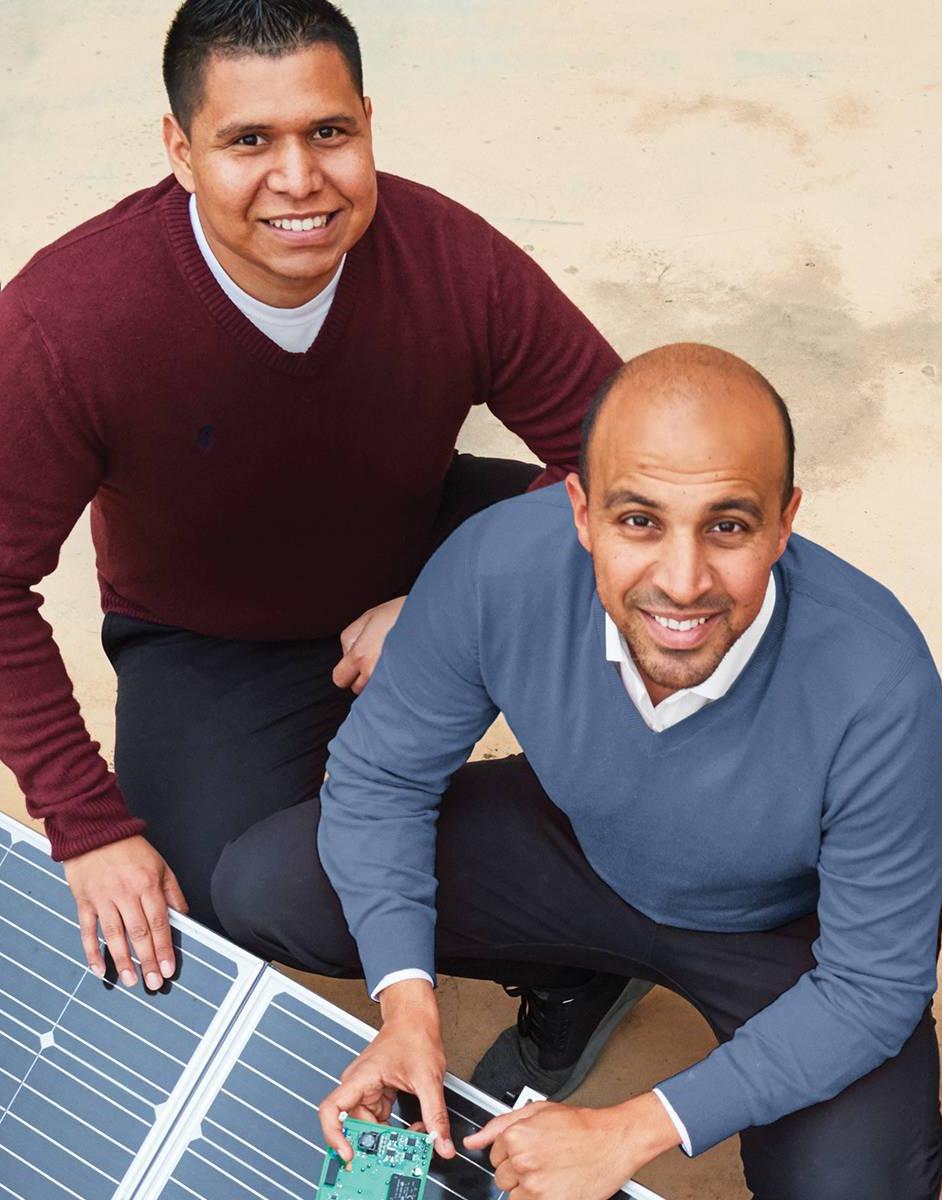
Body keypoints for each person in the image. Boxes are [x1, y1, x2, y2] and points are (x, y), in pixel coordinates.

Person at [0, 0, 650, 1085]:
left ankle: (626, 869)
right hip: (210, 634)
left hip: (425, 550)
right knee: (211, 894)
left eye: (328, 133)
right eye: (249, 141)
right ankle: (562, 948)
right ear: (179, 149)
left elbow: (626, 454)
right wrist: (86, 822)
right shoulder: (70, 324)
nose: (300, 178)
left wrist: (453, 607)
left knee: (667, 579)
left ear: (367, 124)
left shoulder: (445, 255)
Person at [209, 343, 942, 1198]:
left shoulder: (878, 675)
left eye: (728, 525)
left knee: (857, 1190)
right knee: (271, 885)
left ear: (785, 523)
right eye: (639, 520)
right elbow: (381, 780)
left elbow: (872, 985)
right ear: (581, 511)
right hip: (574, 844)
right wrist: (407, 1002)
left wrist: (627, 1130)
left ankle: (608, 983)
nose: (682, 581)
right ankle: (577, 977)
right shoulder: (496, 565)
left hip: (784, 929)